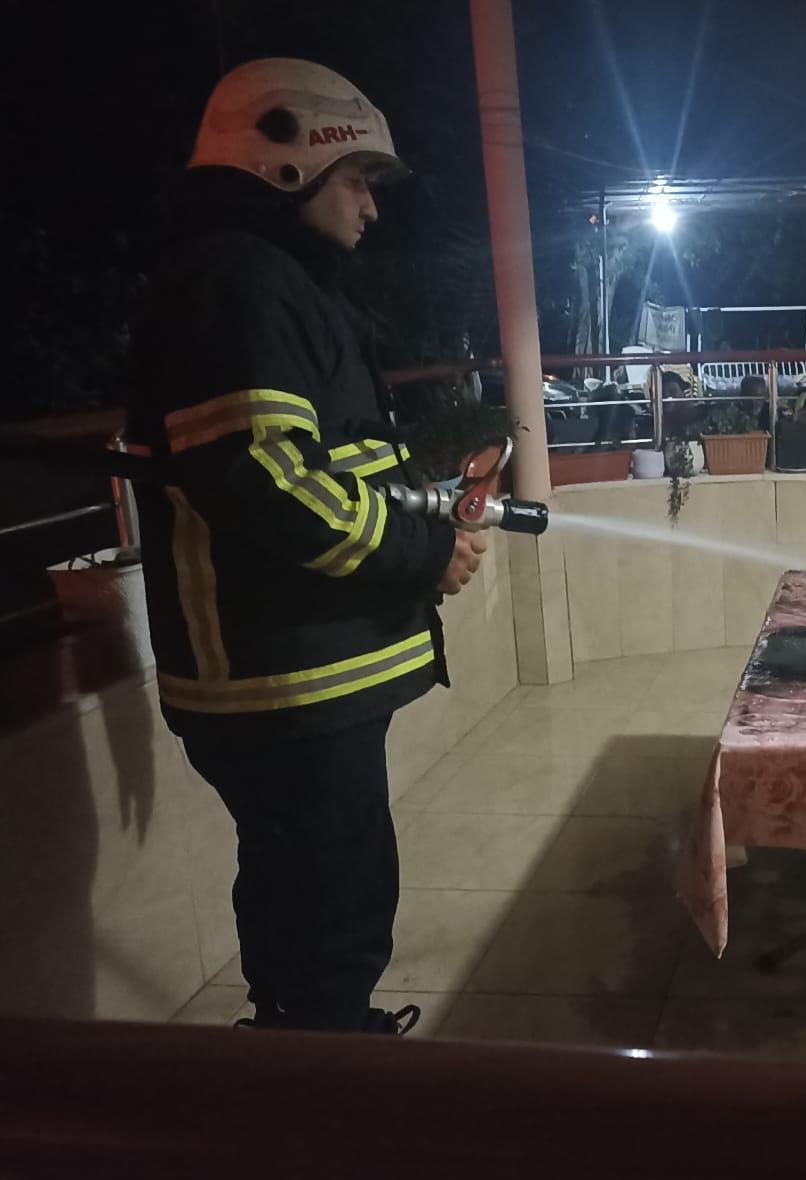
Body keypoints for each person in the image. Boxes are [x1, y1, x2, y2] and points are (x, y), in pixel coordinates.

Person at [126, 59, 487, 1032]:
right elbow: (267, 476)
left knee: (316, 884)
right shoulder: (240, 283)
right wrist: (421, 554)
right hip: (279, 680)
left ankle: (304, 1044)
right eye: (358, 180)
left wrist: (425, 521)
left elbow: (324, 461)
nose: (371, 207)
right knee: (329, 899)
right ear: (288, 163)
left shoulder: (266, 284)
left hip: (293, 674)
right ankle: (323, 1080)